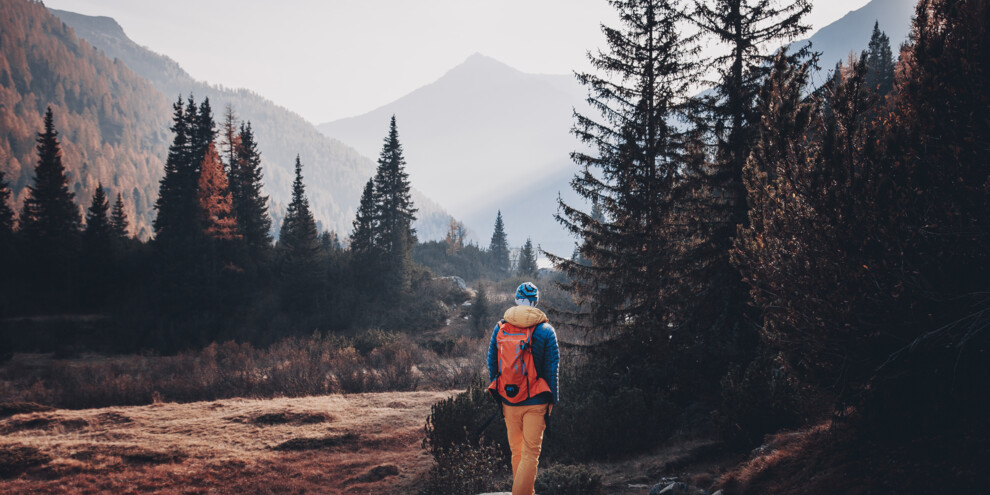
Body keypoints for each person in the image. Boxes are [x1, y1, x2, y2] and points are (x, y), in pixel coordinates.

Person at [487, 281, 559, 495]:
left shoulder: (500, 327)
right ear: (535, 302)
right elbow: (552, 369)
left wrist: (500, 394)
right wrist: (552, 401)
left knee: (517, 451)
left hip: (508, 400)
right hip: (536, 401)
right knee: (530, 454)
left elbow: (492, 363)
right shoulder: (546, 330)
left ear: (516, 299)